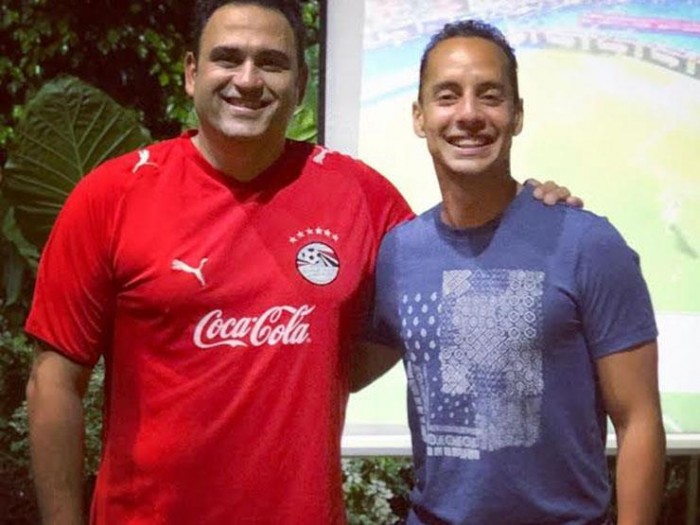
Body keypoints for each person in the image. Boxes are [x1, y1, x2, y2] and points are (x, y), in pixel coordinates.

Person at [24, 2, 579, 524]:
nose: (247, 80)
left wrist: (527, 214)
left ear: (301, 82)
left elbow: (450, 264)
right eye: (227, 58)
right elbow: (54, 383)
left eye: (271, 63)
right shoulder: (111, 196)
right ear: (192, 73)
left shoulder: (361, 195)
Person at [360, 19, 666, 525]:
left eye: (490, 95)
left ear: (517, 114)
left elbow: (638, 421)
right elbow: (340, 372)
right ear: (419, 116)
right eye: (447, 96)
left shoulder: (588, 243)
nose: (468, 114)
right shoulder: (399, 252)